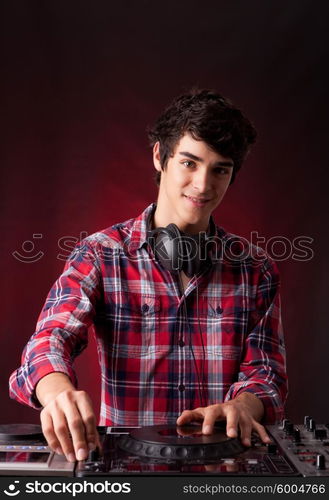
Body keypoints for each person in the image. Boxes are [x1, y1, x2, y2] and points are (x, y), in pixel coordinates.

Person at [9, 89, 287, 464]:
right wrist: (58, 393)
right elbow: (48, 340)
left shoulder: (256, 270)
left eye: (219, 169)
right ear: (160, 156)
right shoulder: (99, 254)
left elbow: (266, 373)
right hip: (126, 469)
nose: (203, 185)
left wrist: (243, 405)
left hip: (220, 470)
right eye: (189, 163)